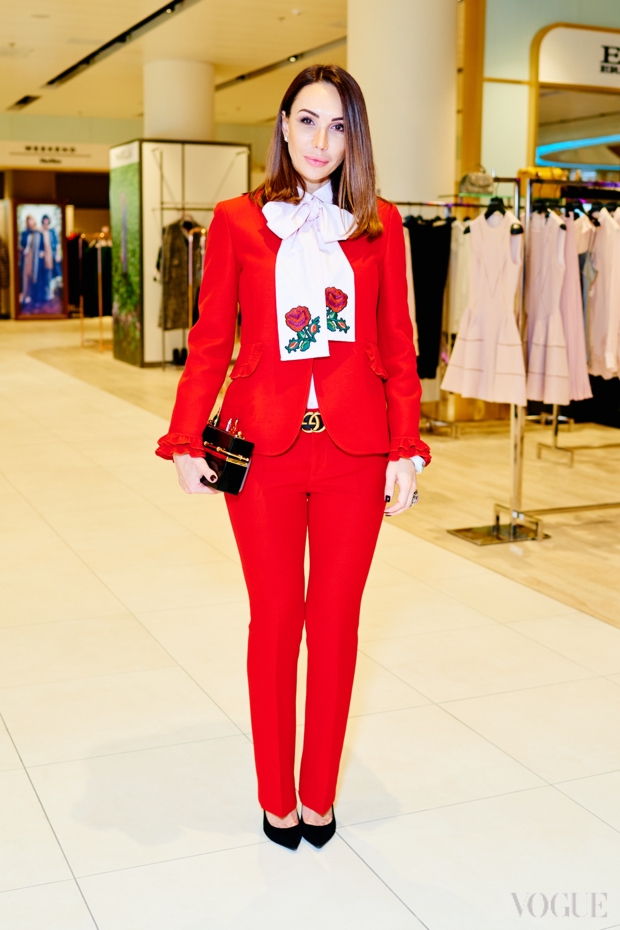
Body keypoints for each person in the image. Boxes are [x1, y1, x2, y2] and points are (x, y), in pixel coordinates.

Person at [156, 64, 431, 850]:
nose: (320, 141)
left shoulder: (381, 227)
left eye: (338, 126)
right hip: (261, 449)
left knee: (335, 625)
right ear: (282, 124)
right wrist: (184, 436)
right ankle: (276, 795)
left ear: (355, 138)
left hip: (356, 451)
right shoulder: (237, 221)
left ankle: (319, 793)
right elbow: (212, 340)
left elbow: (398, 346)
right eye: (307, 121)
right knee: (275, 622)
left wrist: (405, 447)